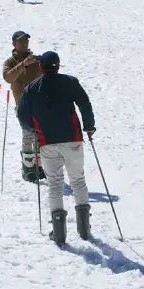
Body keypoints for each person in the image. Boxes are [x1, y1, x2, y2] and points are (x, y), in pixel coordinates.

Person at [16, 52, 96, 245]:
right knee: (78, 180)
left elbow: (22, 114)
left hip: (47, 142)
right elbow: (84, 103)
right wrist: (89, 126)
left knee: (55, 183)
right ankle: (84, 229)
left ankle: (59, 233)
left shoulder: (31, 88)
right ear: (58, 66)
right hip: (73, 140)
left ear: (41, 67)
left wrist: (33, 129)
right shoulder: (70, 82)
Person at [2, 31, 44, 183]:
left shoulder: (36, 60)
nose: (25, 44)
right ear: (14, 44)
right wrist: (22, 64)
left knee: (40, 135)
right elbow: (8, 77)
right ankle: (28, 169)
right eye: (21, 41)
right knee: (28, 135)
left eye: (26, 41)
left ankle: (40, 167)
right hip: (22, 105)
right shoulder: (10, 62)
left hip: (38, 103)